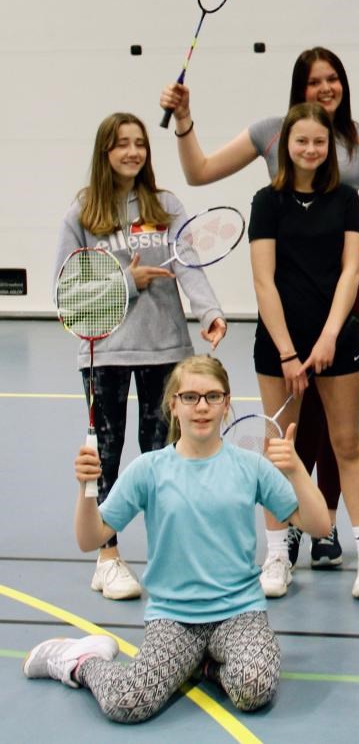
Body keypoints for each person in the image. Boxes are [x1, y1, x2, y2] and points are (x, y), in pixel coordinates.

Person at [160, 46, 359, 570]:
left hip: (343, 289)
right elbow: (199, 171)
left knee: (337, 420)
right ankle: (292, 524)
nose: (326, 88)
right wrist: (184, 120)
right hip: (287, 290)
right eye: (315, 80)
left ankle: (328, 525)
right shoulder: (271, 134)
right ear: (300, 89)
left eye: (333, 78)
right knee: (295, 419)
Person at [22, 354, 329, 723]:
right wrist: (86, 489)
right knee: (126, 703)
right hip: (174, 618)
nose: (202, 406)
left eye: (212, 396)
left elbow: (319, 526)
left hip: (240, 613)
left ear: (227, 403)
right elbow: (90, 540)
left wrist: (296, 470)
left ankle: (201, 667)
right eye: (190, 397)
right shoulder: (149, 470)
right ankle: (81, 661)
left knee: (254, 688)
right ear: (173, 405)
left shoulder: (251, 466)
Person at [53, 112, 227, 601]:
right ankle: (107, 557)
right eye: (121, 144)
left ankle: (169, 555)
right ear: (104, 152)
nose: (132, 152)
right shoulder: (82, 212)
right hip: (103, 353)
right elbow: (65, 294)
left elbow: (189, 265)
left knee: (164, 456)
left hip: (166, 349)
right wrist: (128, 281)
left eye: (140, 144)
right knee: (106, 456)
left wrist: (210, 311)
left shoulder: (165, 205)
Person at [248, 102, 359, 599]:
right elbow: (263, 280)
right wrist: (287, 352)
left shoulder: (346, 199)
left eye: (319, 142)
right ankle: (277, 555)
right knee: (279, 450)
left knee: (347, 444)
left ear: (332, 148)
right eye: (301, 140)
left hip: (335, 342)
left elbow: (351, 271)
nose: (310, 149)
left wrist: (329, 337)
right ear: (286, 145)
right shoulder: (266, 201)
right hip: (278, 345)